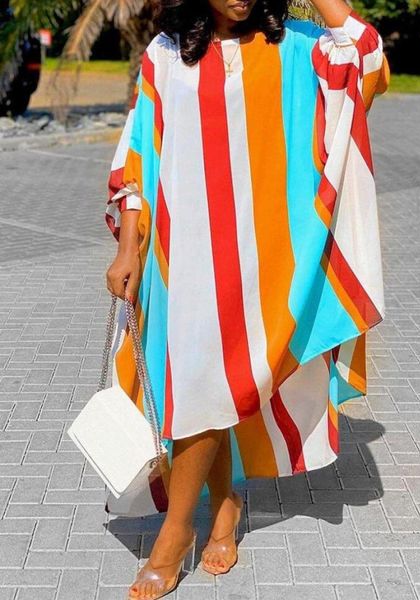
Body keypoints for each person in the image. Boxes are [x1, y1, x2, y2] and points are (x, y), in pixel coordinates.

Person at [105, 0, 390, 598]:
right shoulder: (165, 55)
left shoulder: (299, 50)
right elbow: (136, 154)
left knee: (215, 385)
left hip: (262, 263)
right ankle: (224, 504)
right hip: (180, 260)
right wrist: (129, 246)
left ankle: (176, 532)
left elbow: (365, 53)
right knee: (201, 385)